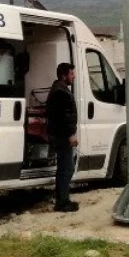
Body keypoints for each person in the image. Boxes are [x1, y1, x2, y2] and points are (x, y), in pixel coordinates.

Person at [46, 62, 79, 212]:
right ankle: (63, 202)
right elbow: (64, 117)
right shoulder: (61, 92)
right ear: (64, 75)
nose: (74, 76)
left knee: (63, 168)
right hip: (62, 136)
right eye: (72, 74)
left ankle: (62, 199)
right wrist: (71, 134)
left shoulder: (58, 89)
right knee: (67, 168)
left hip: (59, 135)